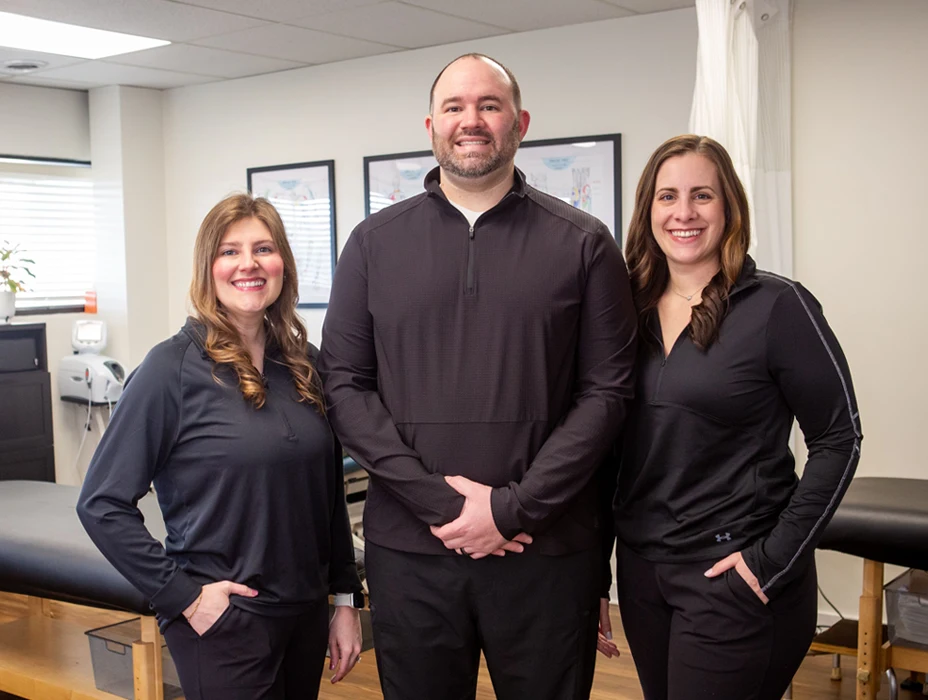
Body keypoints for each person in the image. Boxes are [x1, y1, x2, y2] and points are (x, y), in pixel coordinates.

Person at [319, 53, 637, 700]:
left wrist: (509, 509)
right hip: (411, 556)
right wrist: (445, 505)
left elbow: (608, 395)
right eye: (457, 108)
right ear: (431, 125)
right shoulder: (373, 245)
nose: (473, 121)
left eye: (489, 106)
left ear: (519, 122)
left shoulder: (584, 243)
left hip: (545, 552)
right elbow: (345, 388)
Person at [77, 193, 364, 700]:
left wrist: (344, 600)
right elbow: (101, 503)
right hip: (225, 621)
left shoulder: (304, 364)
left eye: (263, 249)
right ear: (208, 268)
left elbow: (327, 496)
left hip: (305, 615)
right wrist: (183, 597)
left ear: (283, 266)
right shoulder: (170, 370)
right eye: (230, 252)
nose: (248, 265)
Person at [611, 135, 861, 699]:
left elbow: (839, 438)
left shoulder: (779, 306)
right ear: (647, 209)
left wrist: (769, 562)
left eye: (703, 195)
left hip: (733, 574)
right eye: (668, 196)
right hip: (643, 574)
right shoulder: (623, 309)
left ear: (729, 209)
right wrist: (595, 578)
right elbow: (604, 449)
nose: (684, 212)